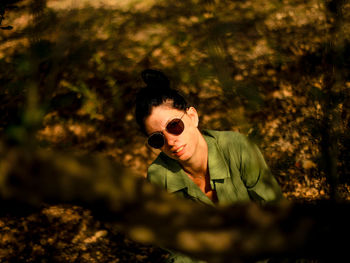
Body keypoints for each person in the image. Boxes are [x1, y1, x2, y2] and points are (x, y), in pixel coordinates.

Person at [135, 69, 283, 263]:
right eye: (157, 139)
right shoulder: (159, 177)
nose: (170, 141)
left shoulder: (236, 146)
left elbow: (274, 212)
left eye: (174, 126)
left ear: (193, 116)